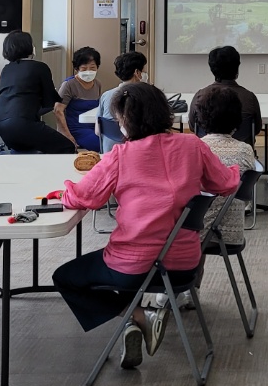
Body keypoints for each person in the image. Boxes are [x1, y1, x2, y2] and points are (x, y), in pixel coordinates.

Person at [51, 83, 238, 370]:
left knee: (67, 277)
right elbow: (225, 184)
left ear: (124, 121)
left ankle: (135, 316)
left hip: (131, 266)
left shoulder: (119, 156)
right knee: (137, 258)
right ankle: (135, 320)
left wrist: (63, 189)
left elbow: (84, 197)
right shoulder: (193, 145)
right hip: (184, 265)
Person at [0, 31, 74, 154]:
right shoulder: (40, 67)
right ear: (28, 47)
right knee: (67, 147)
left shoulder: (6, 70)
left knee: (27, 150)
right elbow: (50, 102)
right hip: (23, 124)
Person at [195, 84, 256, 254]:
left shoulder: (195, 148)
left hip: (197, 233)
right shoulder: (245, 149)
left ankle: (190, 281)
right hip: (233, 234)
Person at [186, 45, 262, 143]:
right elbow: (256, 129)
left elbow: (193, 126)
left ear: (212, 68)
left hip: (207, 153)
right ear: (237, 67)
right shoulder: (249, 97)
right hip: (241, 154)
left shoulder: (200, 96)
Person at [95, 50, 148, 152]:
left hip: (109, 154)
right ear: (137, 72)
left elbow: (98, 131)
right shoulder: (143, 96)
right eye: (144, 70)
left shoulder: (106, 95)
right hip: (133, 154)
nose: (145, 73)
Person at [57, 47, 102, 152]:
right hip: (76, 129)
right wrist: (67, 136)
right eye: (84, 68)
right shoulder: (69, 84)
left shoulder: (97, 84)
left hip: (95, 127)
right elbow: (58, 111)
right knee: (101, 145)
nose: (89, 71)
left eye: (92, 68)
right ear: (77, 68)